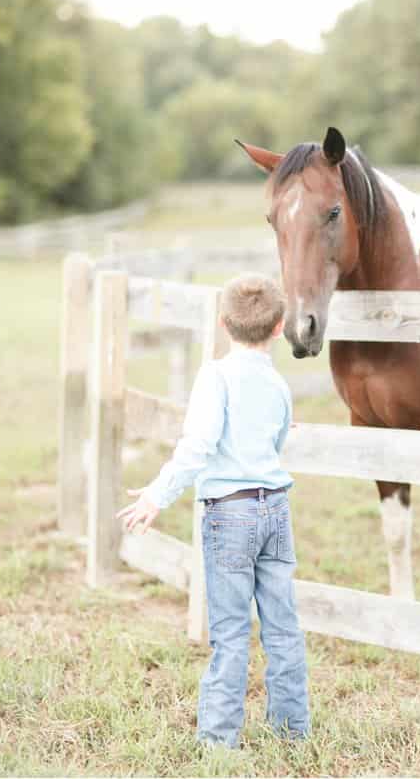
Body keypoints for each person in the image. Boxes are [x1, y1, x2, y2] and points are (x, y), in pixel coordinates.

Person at [117, 273, 309, 748]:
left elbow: (197, 446)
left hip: (230, 513)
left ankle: (219, 740)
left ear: (224, 324)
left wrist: (157, 495)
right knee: (282, 626)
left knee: (229, 630)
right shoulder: (279, 385)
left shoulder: (216, 375)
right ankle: (291, 731)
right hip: (276, 508)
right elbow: (278, 441)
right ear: (280, 325)